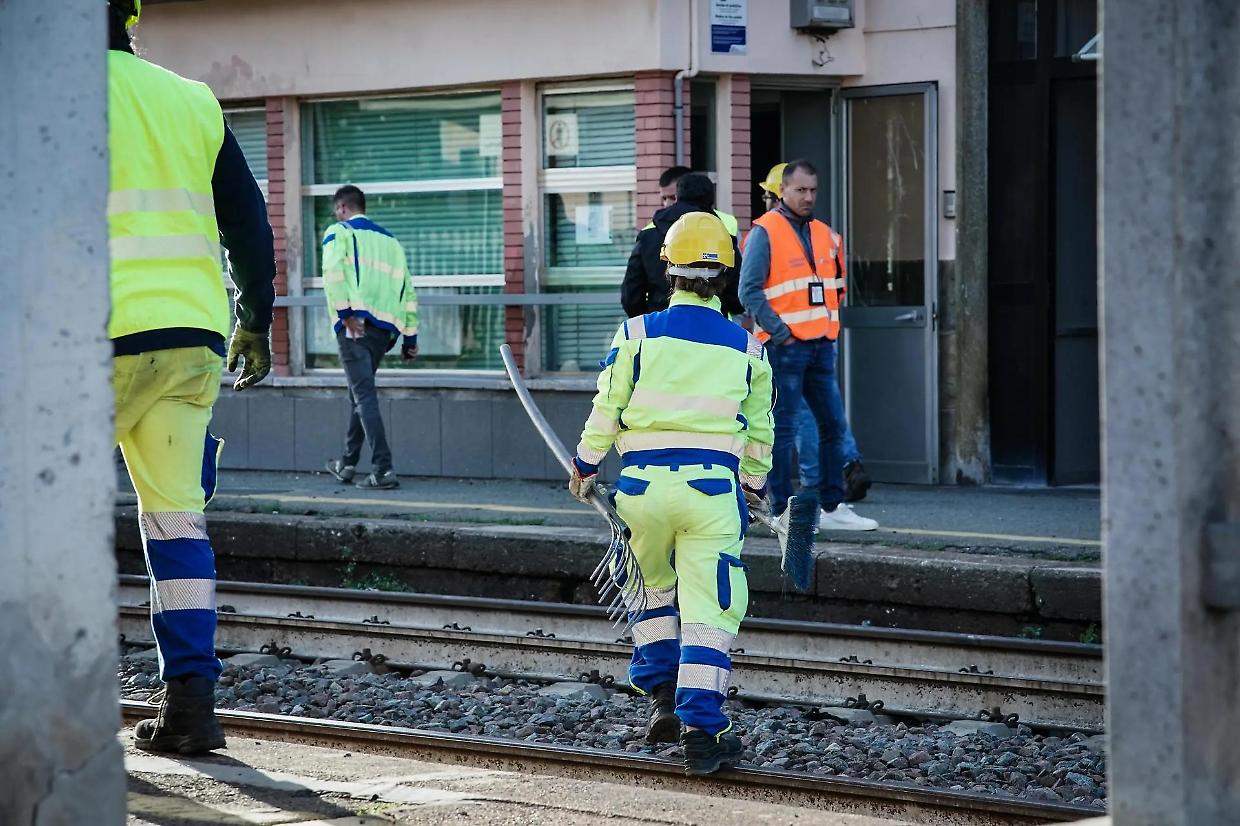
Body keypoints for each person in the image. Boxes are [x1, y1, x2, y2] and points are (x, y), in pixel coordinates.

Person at [108, 0, 276, 754]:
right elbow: (247, 221)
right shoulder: (190, 100)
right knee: (177, 522)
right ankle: (191, 709)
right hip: (190, 340)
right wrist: (255, 320)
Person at [569, 212, 774, 775]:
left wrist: (585, 465)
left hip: (641, 490)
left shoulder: (635, 334)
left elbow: (606, 408)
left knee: (648, 589)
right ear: (725, 276)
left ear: (668, 271)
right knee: (710, 613)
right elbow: (759, 434)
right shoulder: (749, 349)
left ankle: (660, 690)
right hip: (711, 495)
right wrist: (752, 491)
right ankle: (703, 733)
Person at [738, 159, 878, 530]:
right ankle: (782, 510)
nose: (808, 197)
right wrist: (781, 331)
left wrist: (826, 328)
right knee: (783, 431)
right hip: (785, 347)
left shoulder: (826, 235)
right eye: (800, 190)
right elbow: (748, 290)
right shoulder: (765, 231)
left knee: (831, 425)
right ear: (782, 190)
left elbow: (837, 287)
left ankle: (832, 507)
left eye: (813, 190)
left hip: (820, 344)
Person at [321, 185, 419, 490]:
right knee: (358, 394)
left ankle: (383, 469)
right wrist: (410, 338)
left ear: (341, 208)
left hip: (355, 326)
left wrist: (344, 313)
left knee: (363, 395)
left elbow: (333, 272)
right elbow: (408, 290)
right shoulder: (391, 242)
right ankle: (347, 463)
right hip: (384, 330)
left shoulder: (340, 232)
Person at [622, 173, 743, 318]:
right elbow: (737, 295)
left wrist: (651, 321)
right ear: (711, 200)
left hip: (661, 329)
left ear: (677, 197)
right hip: (711, 327)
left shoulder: (648, 235)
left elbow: (631, 296)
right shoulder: (722, 238)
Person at [647, 165, 740, 237]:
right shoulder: (654, 225)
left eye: (673, 197)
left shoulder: (728, 222)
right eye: (664, 198)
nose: (667, 204)